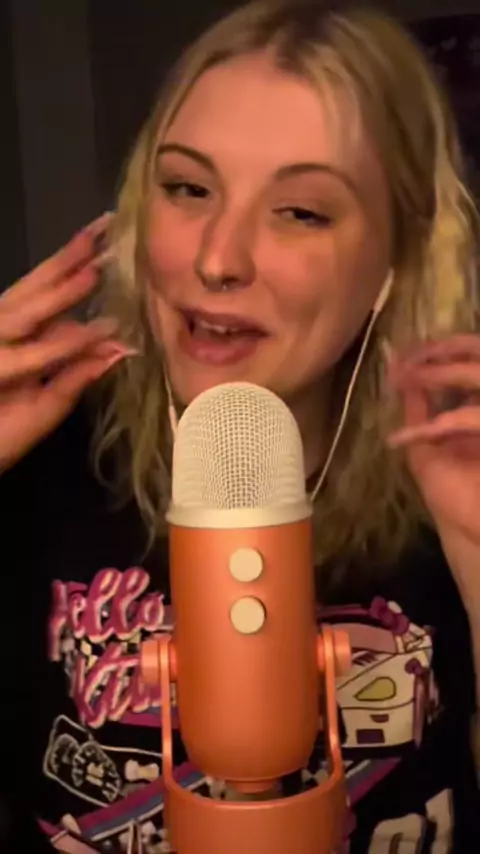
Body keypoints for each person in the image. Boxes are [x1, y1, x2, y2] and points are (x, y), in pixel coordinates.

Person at [2, 0, 480, 851]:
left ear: (396, 258)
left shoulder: (455, 473)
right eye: (188, 189)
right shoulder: (40, 455)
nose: (217, 258)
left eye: (301, 211)